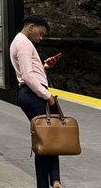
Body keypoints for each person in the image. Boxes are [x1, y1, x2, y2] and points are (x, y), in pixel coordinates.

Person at [10, 14, 63, 188]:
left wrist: (44, 66)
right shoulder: (24, 43)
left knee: (47, 137)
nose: (40, 38)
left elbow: (31, 71)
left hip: (30, 93)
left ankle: (53, 180)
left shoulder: (19, 42)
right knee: (47, 138)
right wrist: (47, 96)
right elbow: (27, 76)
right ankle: (52, 181)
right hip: (33, 94)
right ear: (31, 26)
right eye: (40, 33)